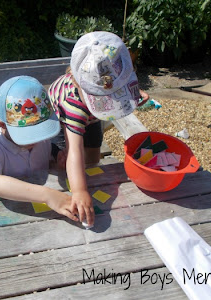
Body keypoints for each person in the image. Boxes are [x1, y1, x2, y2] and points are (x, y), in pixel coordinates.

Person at [48, 31, 142, 226]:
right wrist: (80, 191)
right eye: (103, 99)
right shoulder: (72, 105)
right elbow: (74, 150)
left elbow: (119, 86)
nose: (109, 101)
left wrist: (129, 96)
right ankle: (72, 184)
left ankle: (88, 173)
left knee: (92, 156)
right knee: (65, 160)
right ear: (76, 82)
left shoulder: (109, 79)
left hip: (92, 116)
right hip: (62, 119)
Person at [0, 75, 78, 222]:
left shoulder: (43, 141)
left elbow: (43, 168)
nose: (35, 139)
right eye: (27, 134)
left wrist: (57, 165)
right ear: (1, 124)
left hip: (46, 215)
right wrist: (47, 196)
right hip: (10, 219)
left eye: (39, 131)